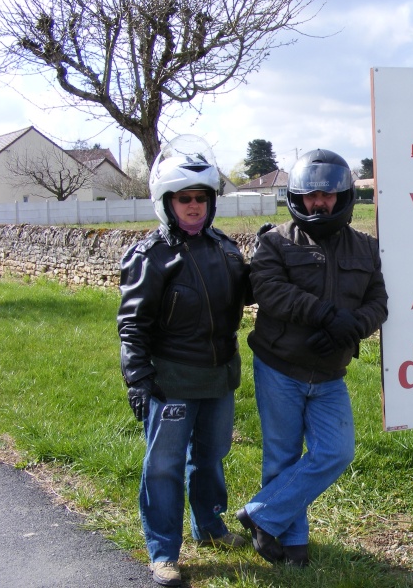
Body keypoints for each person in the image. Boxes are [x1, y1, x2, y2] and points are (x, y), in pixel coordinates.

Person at [236, 148, 388, 567]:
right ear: (297, 197)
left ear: (343, 197)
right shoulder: (275, 242)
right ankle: (292, 546)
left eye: (327, 196)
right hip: (279, 365)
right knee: (282, 456)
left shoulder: (366, 249)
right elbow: (269, 289)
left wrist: (351, 327)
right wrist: (325, 315)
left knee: (336, 451)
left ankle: (261, 515)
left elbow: (379, 302)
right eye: (309, 196)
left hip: (329, 374)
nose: (318, 203)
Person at [117, 135, 252, 587]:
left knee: (211, 457)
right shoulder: (150, 258)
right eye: (184, 198)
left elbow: (250, 294)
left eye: (201, 198)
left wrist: (276, 253)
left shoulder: (226, 248)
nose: (193, 206)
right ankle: (163, 552)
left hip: (219, 377)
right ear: (166, 202)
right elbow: (132, 325)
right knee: (164, 465)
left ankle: (210, 527)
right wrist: (138, 378)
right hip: (171, 380)